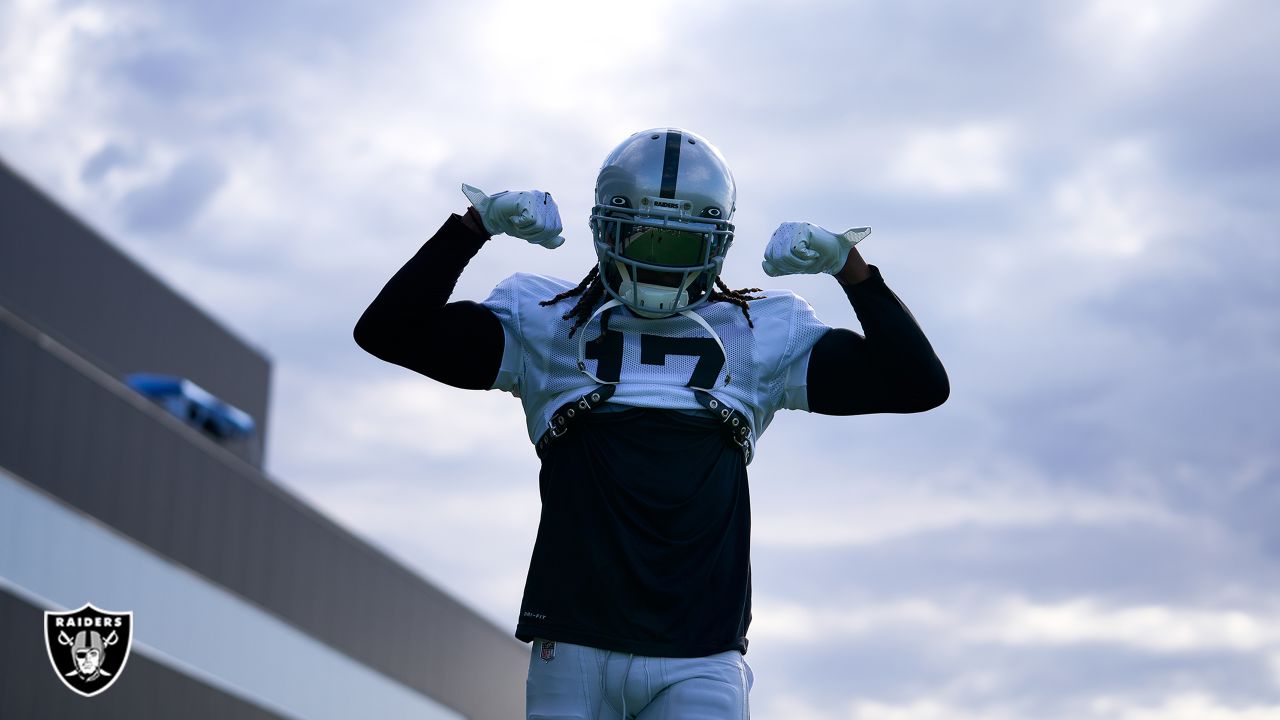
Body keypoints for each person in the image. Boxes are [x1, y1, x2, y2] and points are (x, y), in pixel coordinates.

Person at [355, 128, 948, 719]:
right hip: (575, 643)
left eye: (679, 245)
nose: (654, 261)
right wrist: (472, 225)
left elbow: (918, 383)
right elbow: (386, 331)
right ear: (602, 232)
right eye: (640, 235)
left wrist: (853, 268)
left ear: (716, 247)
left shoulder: (757, 332)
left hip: (698, 653)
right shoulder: (546, 320)